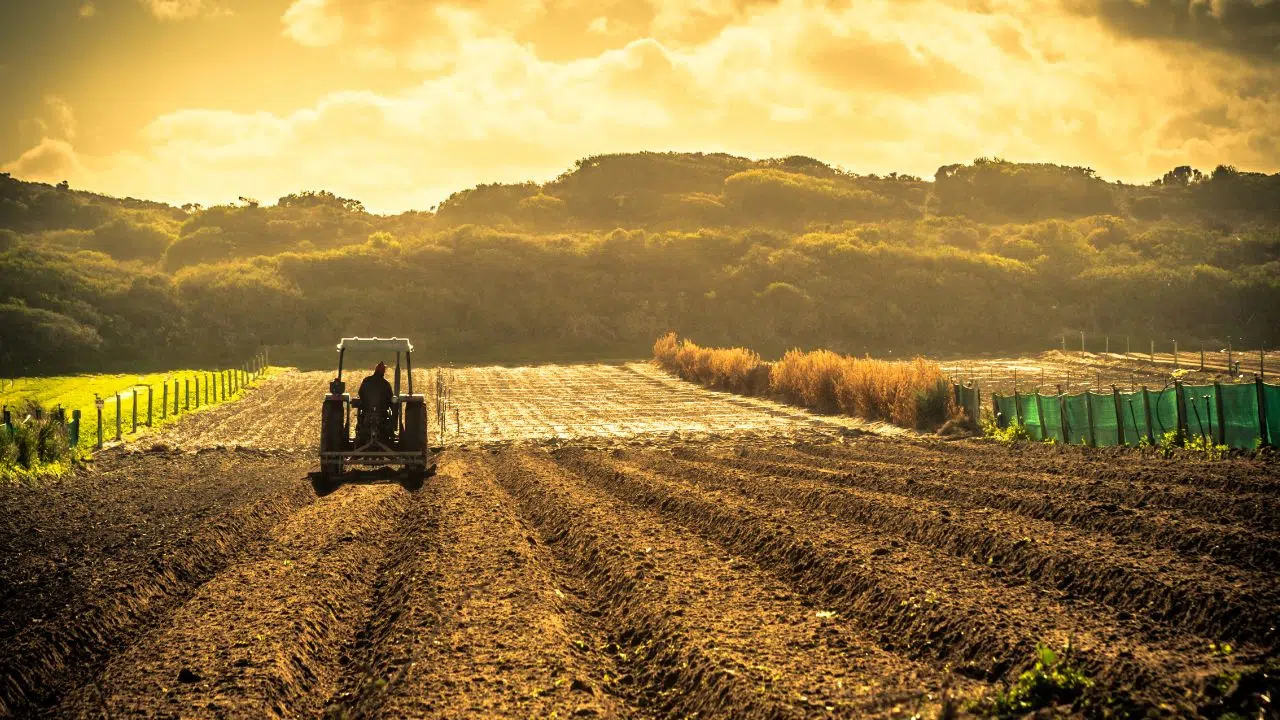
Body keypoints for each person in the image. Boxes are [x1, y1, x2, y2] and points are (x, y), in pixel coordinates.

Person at [357, 362, 395, 440]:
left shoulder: (366, 381)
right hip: (382, 414)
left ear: (375, 370)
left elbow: (360, 393)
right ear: (383, 372)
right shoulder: (385, 384)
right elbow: (390, 398)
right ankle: (391, 431)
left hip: (367, 412)